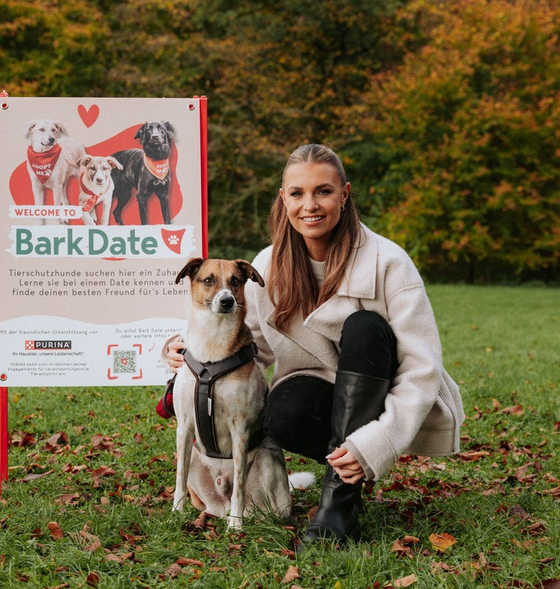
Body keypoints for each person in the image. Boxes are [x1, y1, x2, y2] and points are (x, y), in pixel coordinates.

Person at [162, 143, 464, 548]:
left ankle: (338, 508)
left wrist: (376, 441)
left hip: (386, 402)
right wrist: (186, 355)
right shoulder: (268, 264)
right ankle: (343, 466)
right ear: (283, 198)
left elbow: (422, 368)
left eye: (323, 191)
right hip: (320, 399)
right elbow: (247, 345)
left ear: (344, 194)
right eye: (298, 193)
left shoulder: (389, 262)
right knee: (281, 413)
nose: (310, 205)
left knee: (365, 327)